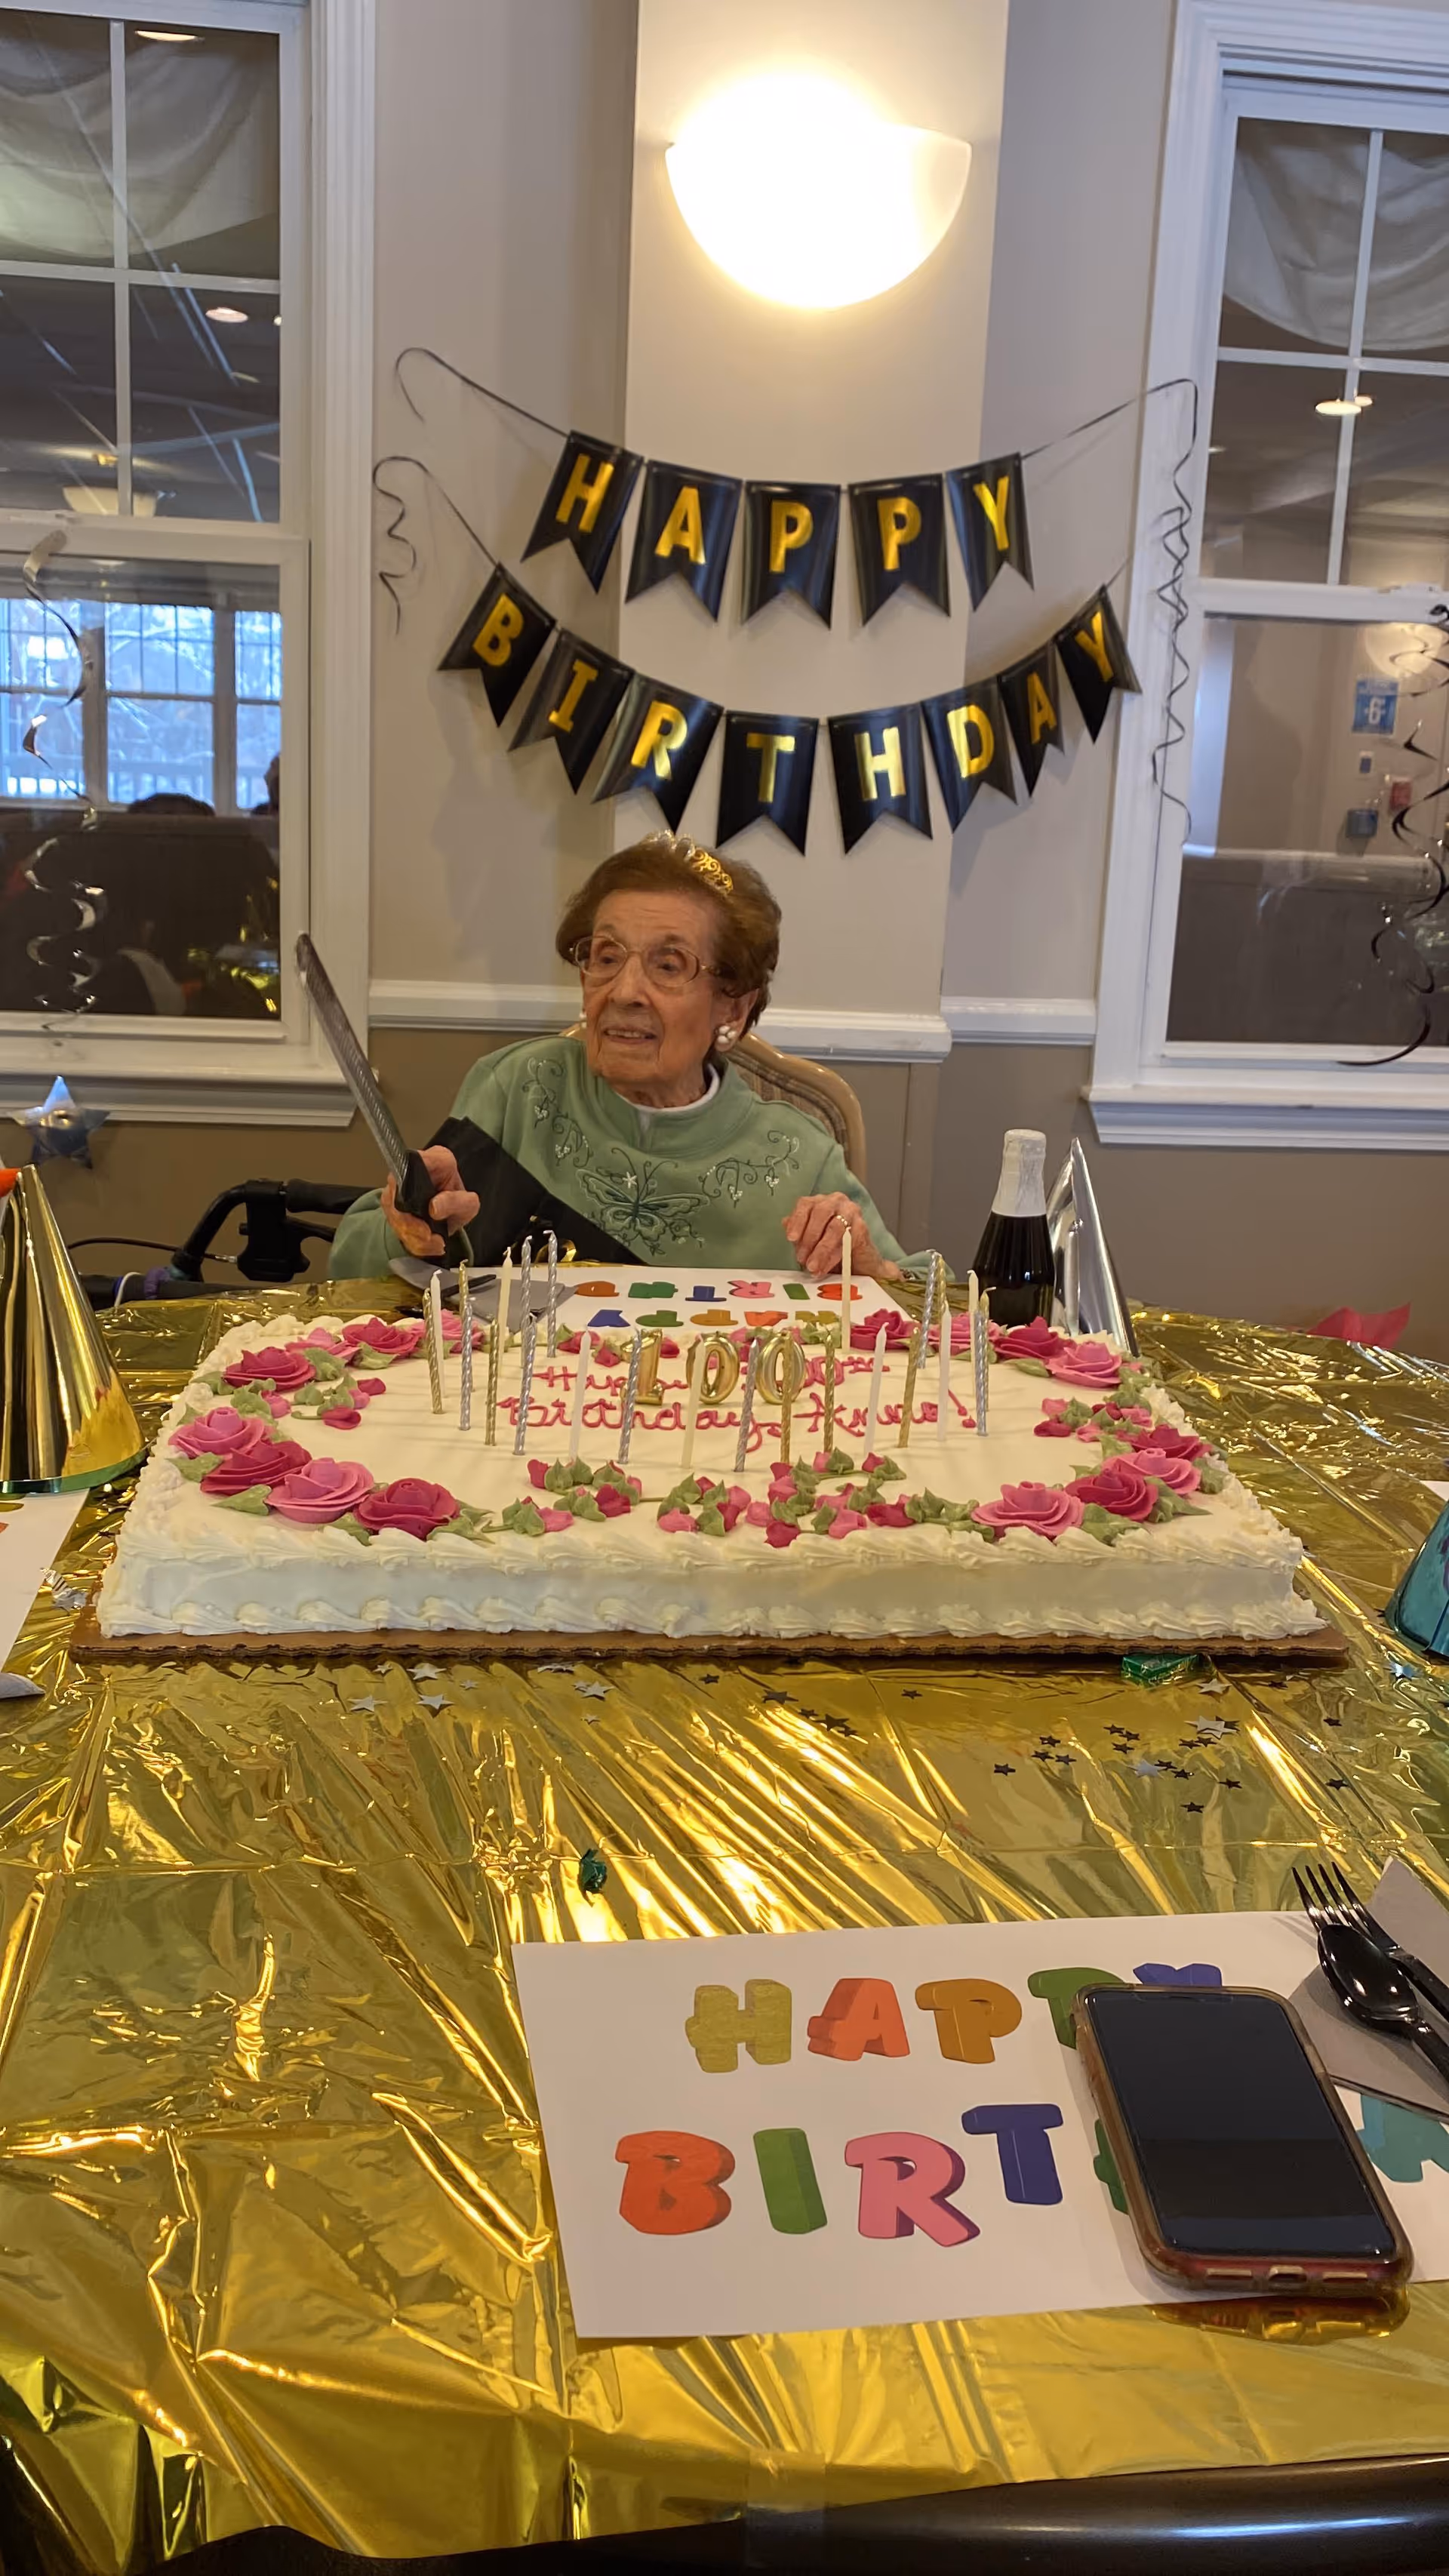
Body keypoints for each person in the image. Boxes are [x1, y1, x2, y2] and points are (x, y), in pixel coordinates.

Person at [329, 833, 921, 1280]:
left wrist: (870, 1267)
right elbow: (348, 1265)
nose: (623, 991)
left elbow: (929, 1304)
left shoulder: (799, 1156)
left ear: (733, 1008)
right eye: (607, 956)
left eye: (668, 965)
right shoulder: (517, 1089)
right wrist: (410, 1228)